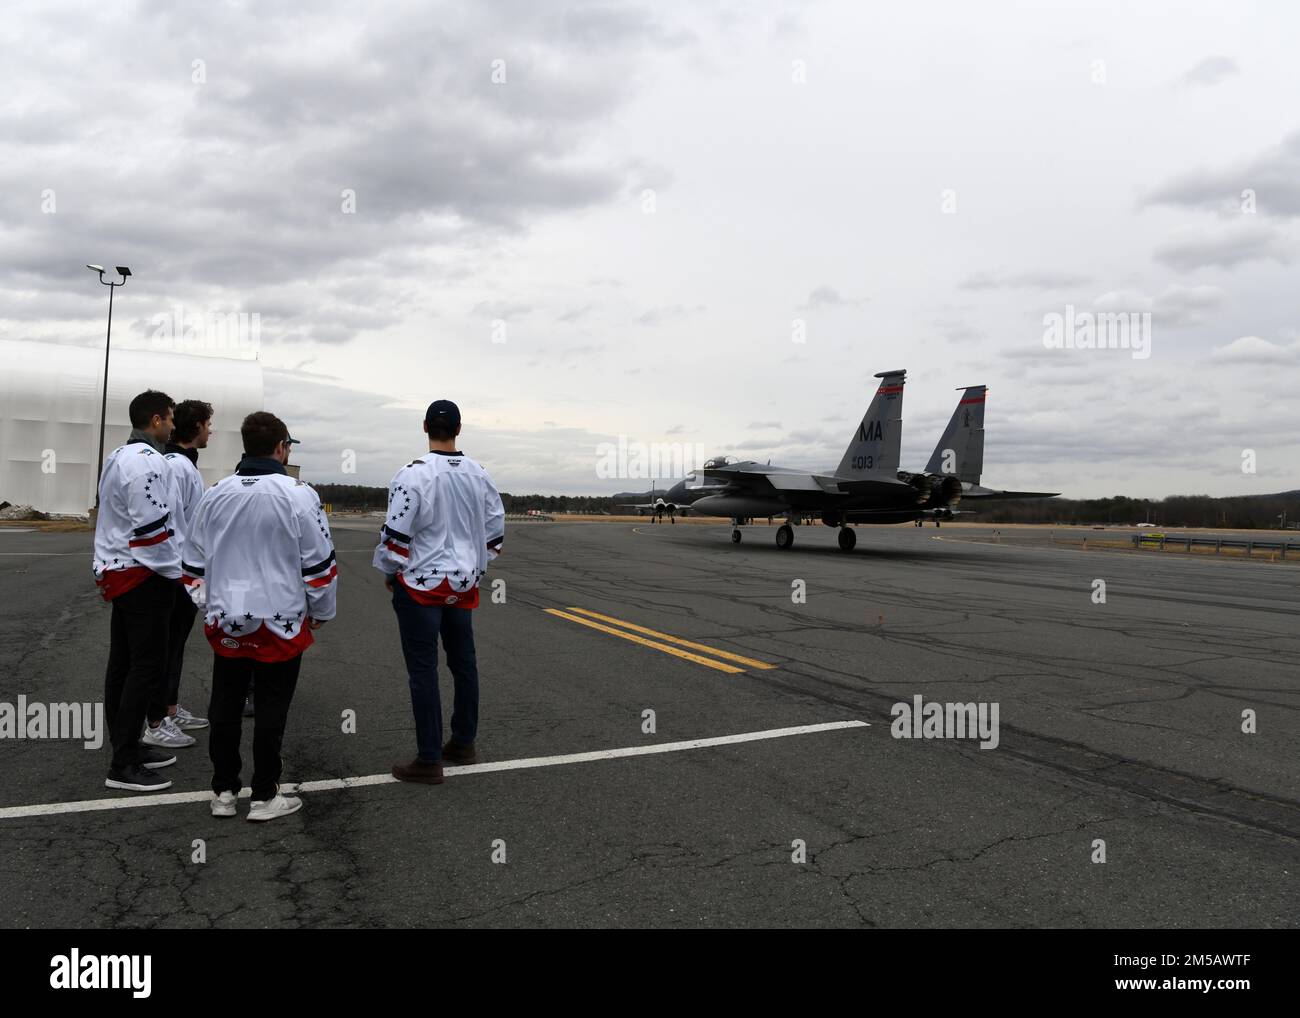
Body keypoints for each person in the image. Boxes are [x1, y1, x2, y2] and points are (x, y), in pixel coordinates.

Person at [183, 412, 336, 821]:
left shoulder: (215, 493)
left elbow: (191, 562)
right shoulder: (300, 494)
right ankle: (266, 794)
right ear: (282, 447)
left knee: (225, 705)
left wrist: (209, 604)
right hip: (281, 619)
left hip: (227, 618)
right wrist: (321, 612)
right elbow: (320, 567)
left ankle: (224, 792)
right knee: (272, 707)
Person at [373, 399, 504, 784]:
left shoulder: (411, 475)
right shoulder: (479, 474)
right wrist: (478, 563)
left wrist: (390, 571)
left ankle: (429, 758)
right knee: (464, 663)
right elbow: (496, 528)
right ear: (459, 429)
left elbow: (396, 534)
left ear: (425, 427)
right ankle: (464, 741)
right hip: (463, 584)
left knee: (423, 670)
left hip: (419, 586)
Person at [93, 390, 184, 792]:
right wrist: (178, 573)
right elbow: (152, 533)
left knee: (124, 664)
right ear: (156, 420)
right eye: (171, 418)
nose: (174, 425)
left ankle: (126, 744)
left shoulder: (118, 456)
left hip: (122, 570)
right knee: (145, 667)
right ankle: (123, 762)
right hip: (142, 575)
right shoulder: (148, 463)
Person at [143, 399, 214, 749]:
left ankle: (168, 707)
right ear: (196, 425)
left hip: (181, 570)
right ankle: (156, 718)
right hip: (177, 572)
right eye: (208, 424)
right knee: (166, 647)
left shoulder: (184, 463)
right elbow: (172, 523)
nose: (211, 430)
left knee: (175, 646)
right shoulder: (176, 465)